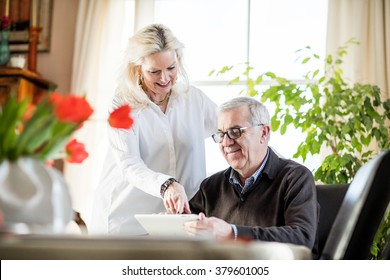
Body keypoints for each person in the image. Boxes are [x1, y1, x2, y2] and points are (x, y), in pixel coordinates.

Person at [90, 24, 217, 235]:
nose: (165, 78)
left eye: (171, 68)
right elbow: (130, 164)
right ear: (137, 69)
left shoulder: (194, 100)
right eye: (154, 71)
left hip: (175, 225)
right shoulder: (123, 105)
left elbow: (230, 130)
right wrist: (167, 185)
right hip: (125, 222)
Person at [184, 96, 319, 253]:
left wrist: (232, 233)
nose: (226, 143)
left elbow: (302, 238)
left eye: (235, 132)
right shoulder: (211, 186)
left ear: (263, 132)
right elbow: (186, 225)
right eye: (221, 134)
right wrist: (167, 221)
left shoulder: (296, 178)